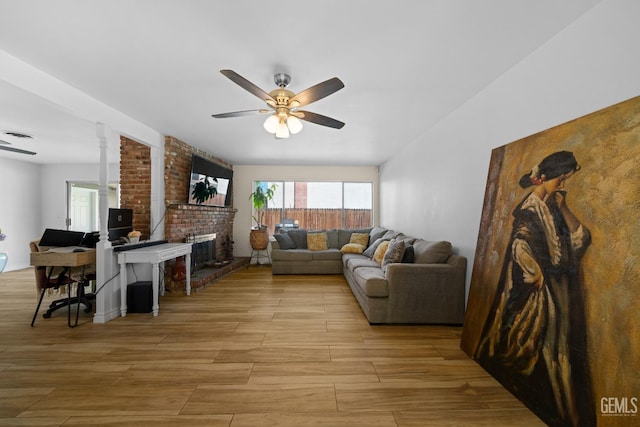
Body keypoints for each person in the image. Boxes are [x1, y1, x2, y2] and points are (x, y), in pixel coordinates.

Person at [475, 151, 594, 426]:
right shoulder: (531, 210)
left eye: (565, 180)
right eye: (560, 180)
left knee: (560, 356)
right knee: (543, 354)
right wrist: (535, 272)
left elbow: (580, 239)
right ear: (545, 179)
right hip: (542, 295)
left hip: (561, 293)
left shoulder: (553, 206)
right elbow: (520, 245)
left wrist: (563, 207)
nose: (562, 184)